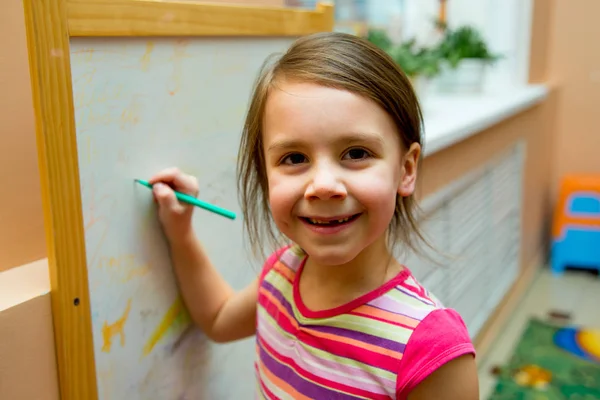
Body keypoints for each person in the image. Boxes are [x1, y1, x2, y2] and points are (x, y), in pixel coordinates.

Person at [149, 32, 479, 399]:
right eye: (294, 158)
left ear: (405, 169)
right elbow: (219, 318)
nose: (322, 186)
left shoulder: (429, 349)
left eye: (356, 153)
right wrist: (181, 233)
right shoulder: (282, 274)